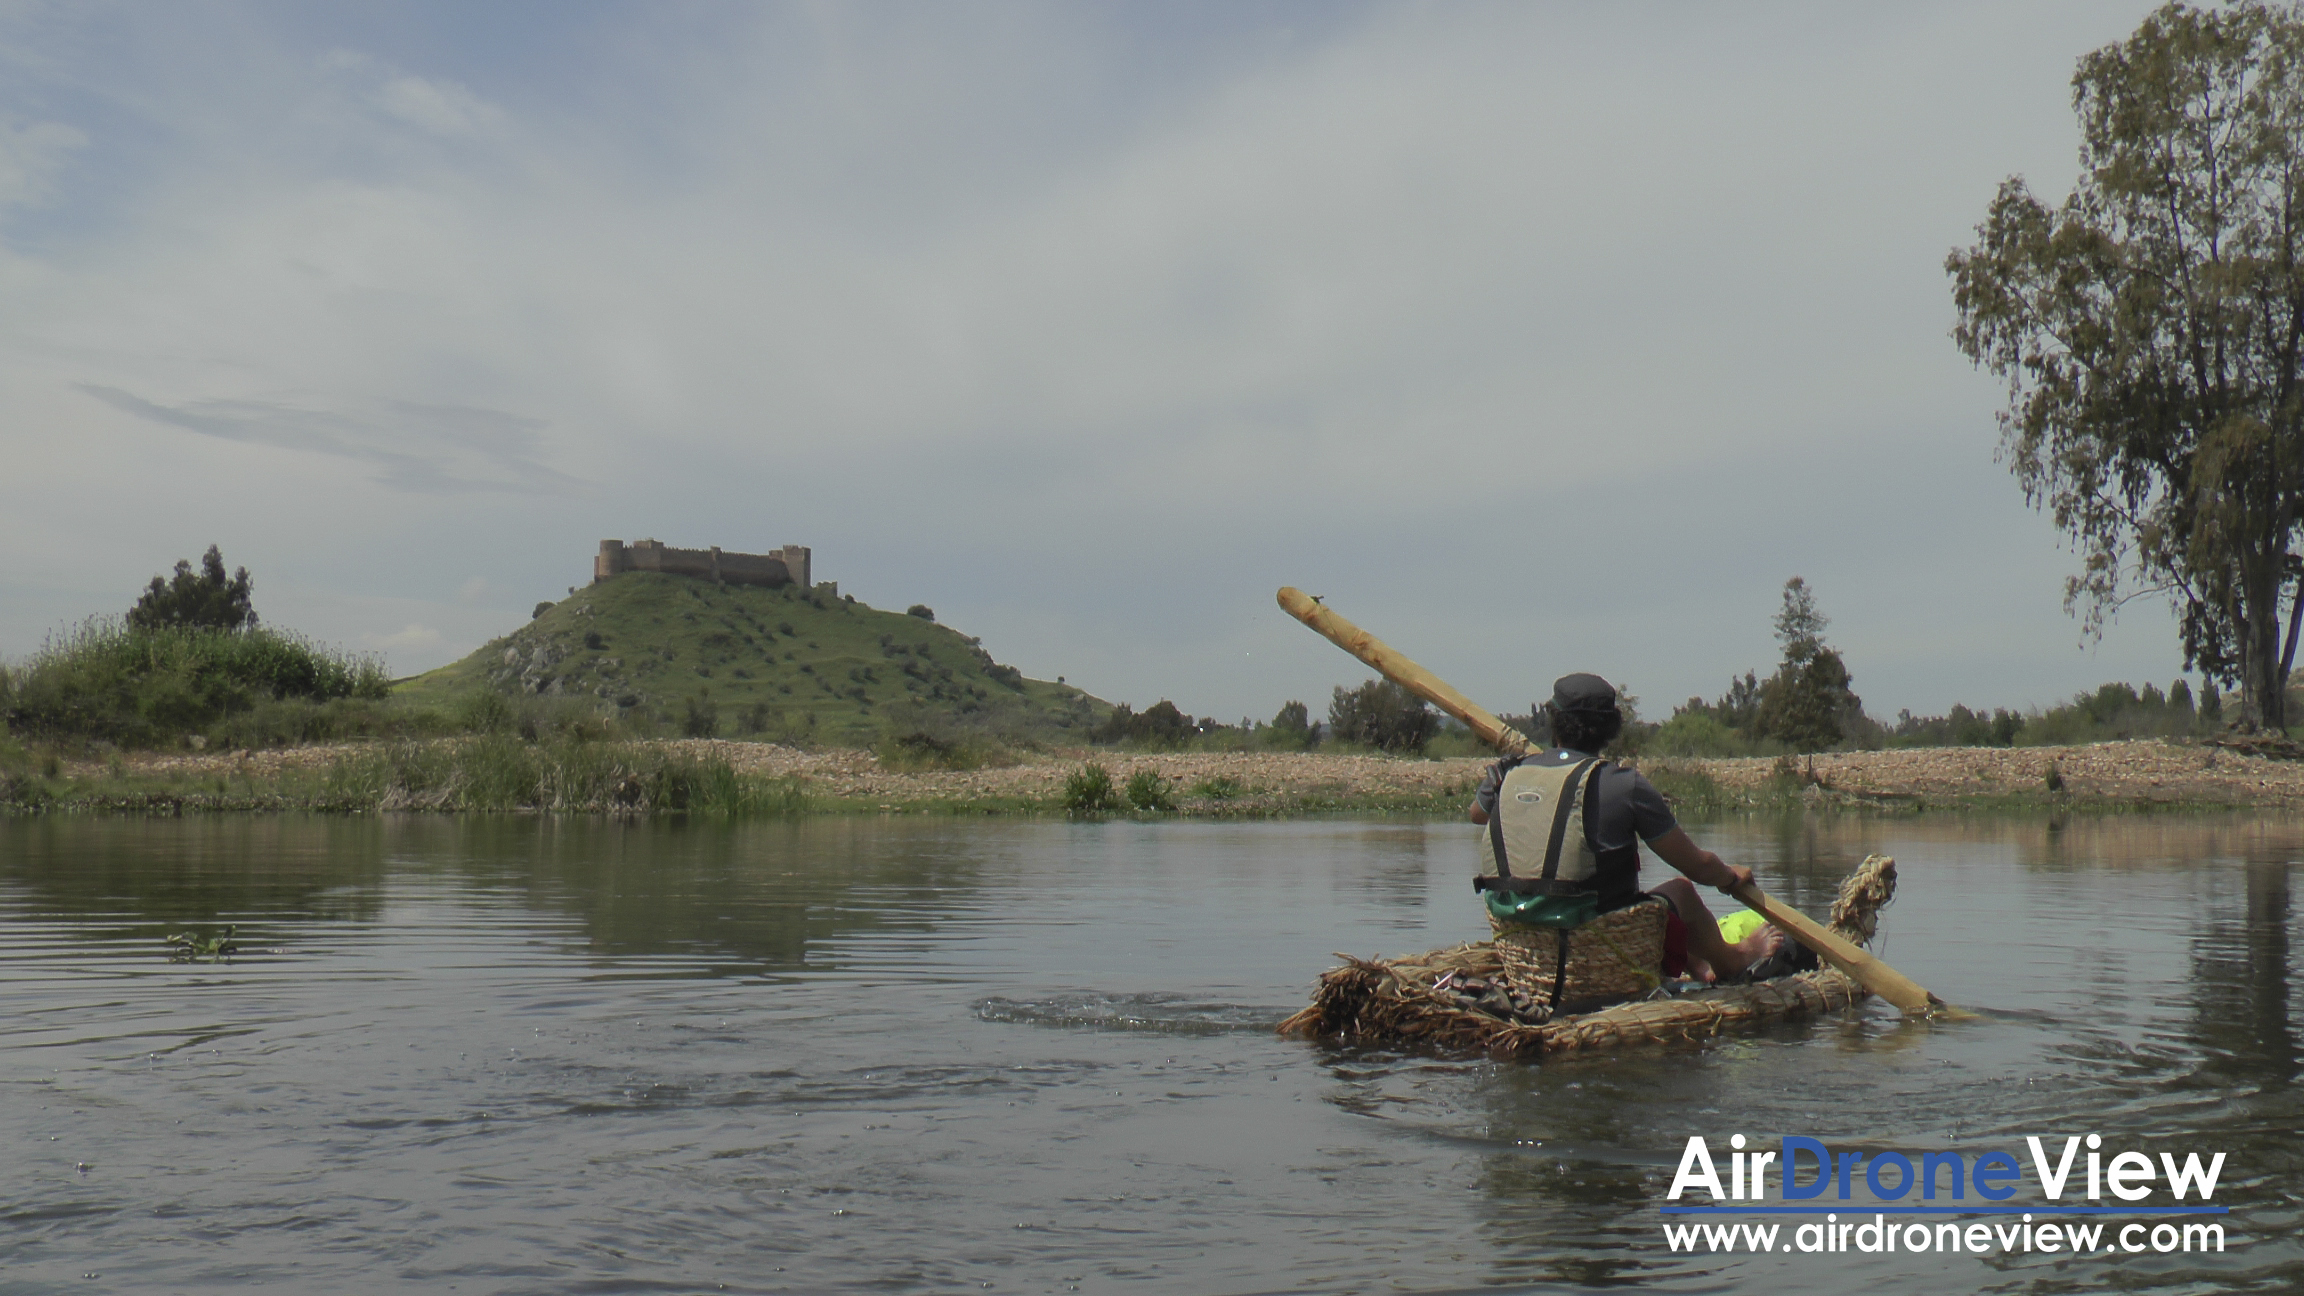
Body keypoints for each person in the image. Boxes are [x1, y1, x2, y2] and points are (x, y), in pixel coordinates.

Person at [1468, 673, 1797, 983]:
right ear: (1611, 730)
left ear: (1553, 721)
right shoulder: (1622, 784)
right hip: (1590, 944)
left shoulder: (1506, 775)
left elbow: (1477, 815)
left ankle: (1696, 963)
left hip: (1524, 946)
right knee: (1680, 891)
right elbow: (1697, 866)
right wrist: (1730, 876)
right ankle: (1735, 958)